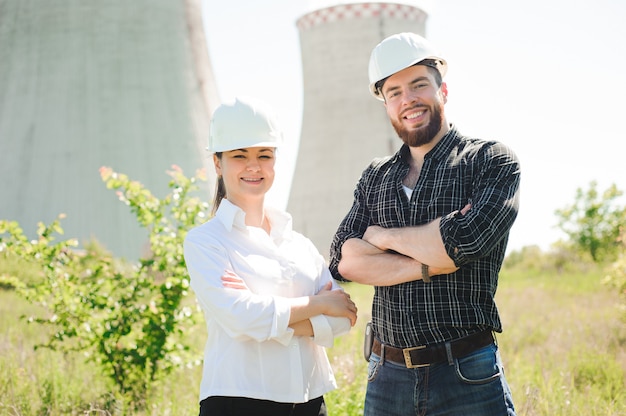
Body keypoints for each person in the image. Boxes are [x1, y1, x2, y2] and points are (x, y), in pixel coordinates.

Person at [329, 32, 520, 415]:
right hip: (386, 377)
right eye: (394, 92)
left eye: (419, 85)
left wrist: (380, 237)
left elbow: (464, 242)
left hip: (467, 374)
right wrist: (429, 258)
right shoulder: (375, 177)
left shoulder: (489, 160)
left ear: (443, 90)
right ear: (385, 103)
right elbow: (343, 260)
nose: (408, 100)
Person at [184, 96, 358, 416]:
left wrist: (268, 322)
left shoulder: (299, 245)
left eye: (264, 155)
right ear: (218, 163)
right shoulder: (206, 242)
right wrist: (318, 304)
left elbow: (344, 317)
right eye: (240, 155)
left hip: (309, 401)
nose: (254, 166)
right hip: (237, 400)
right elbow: (240, 315)